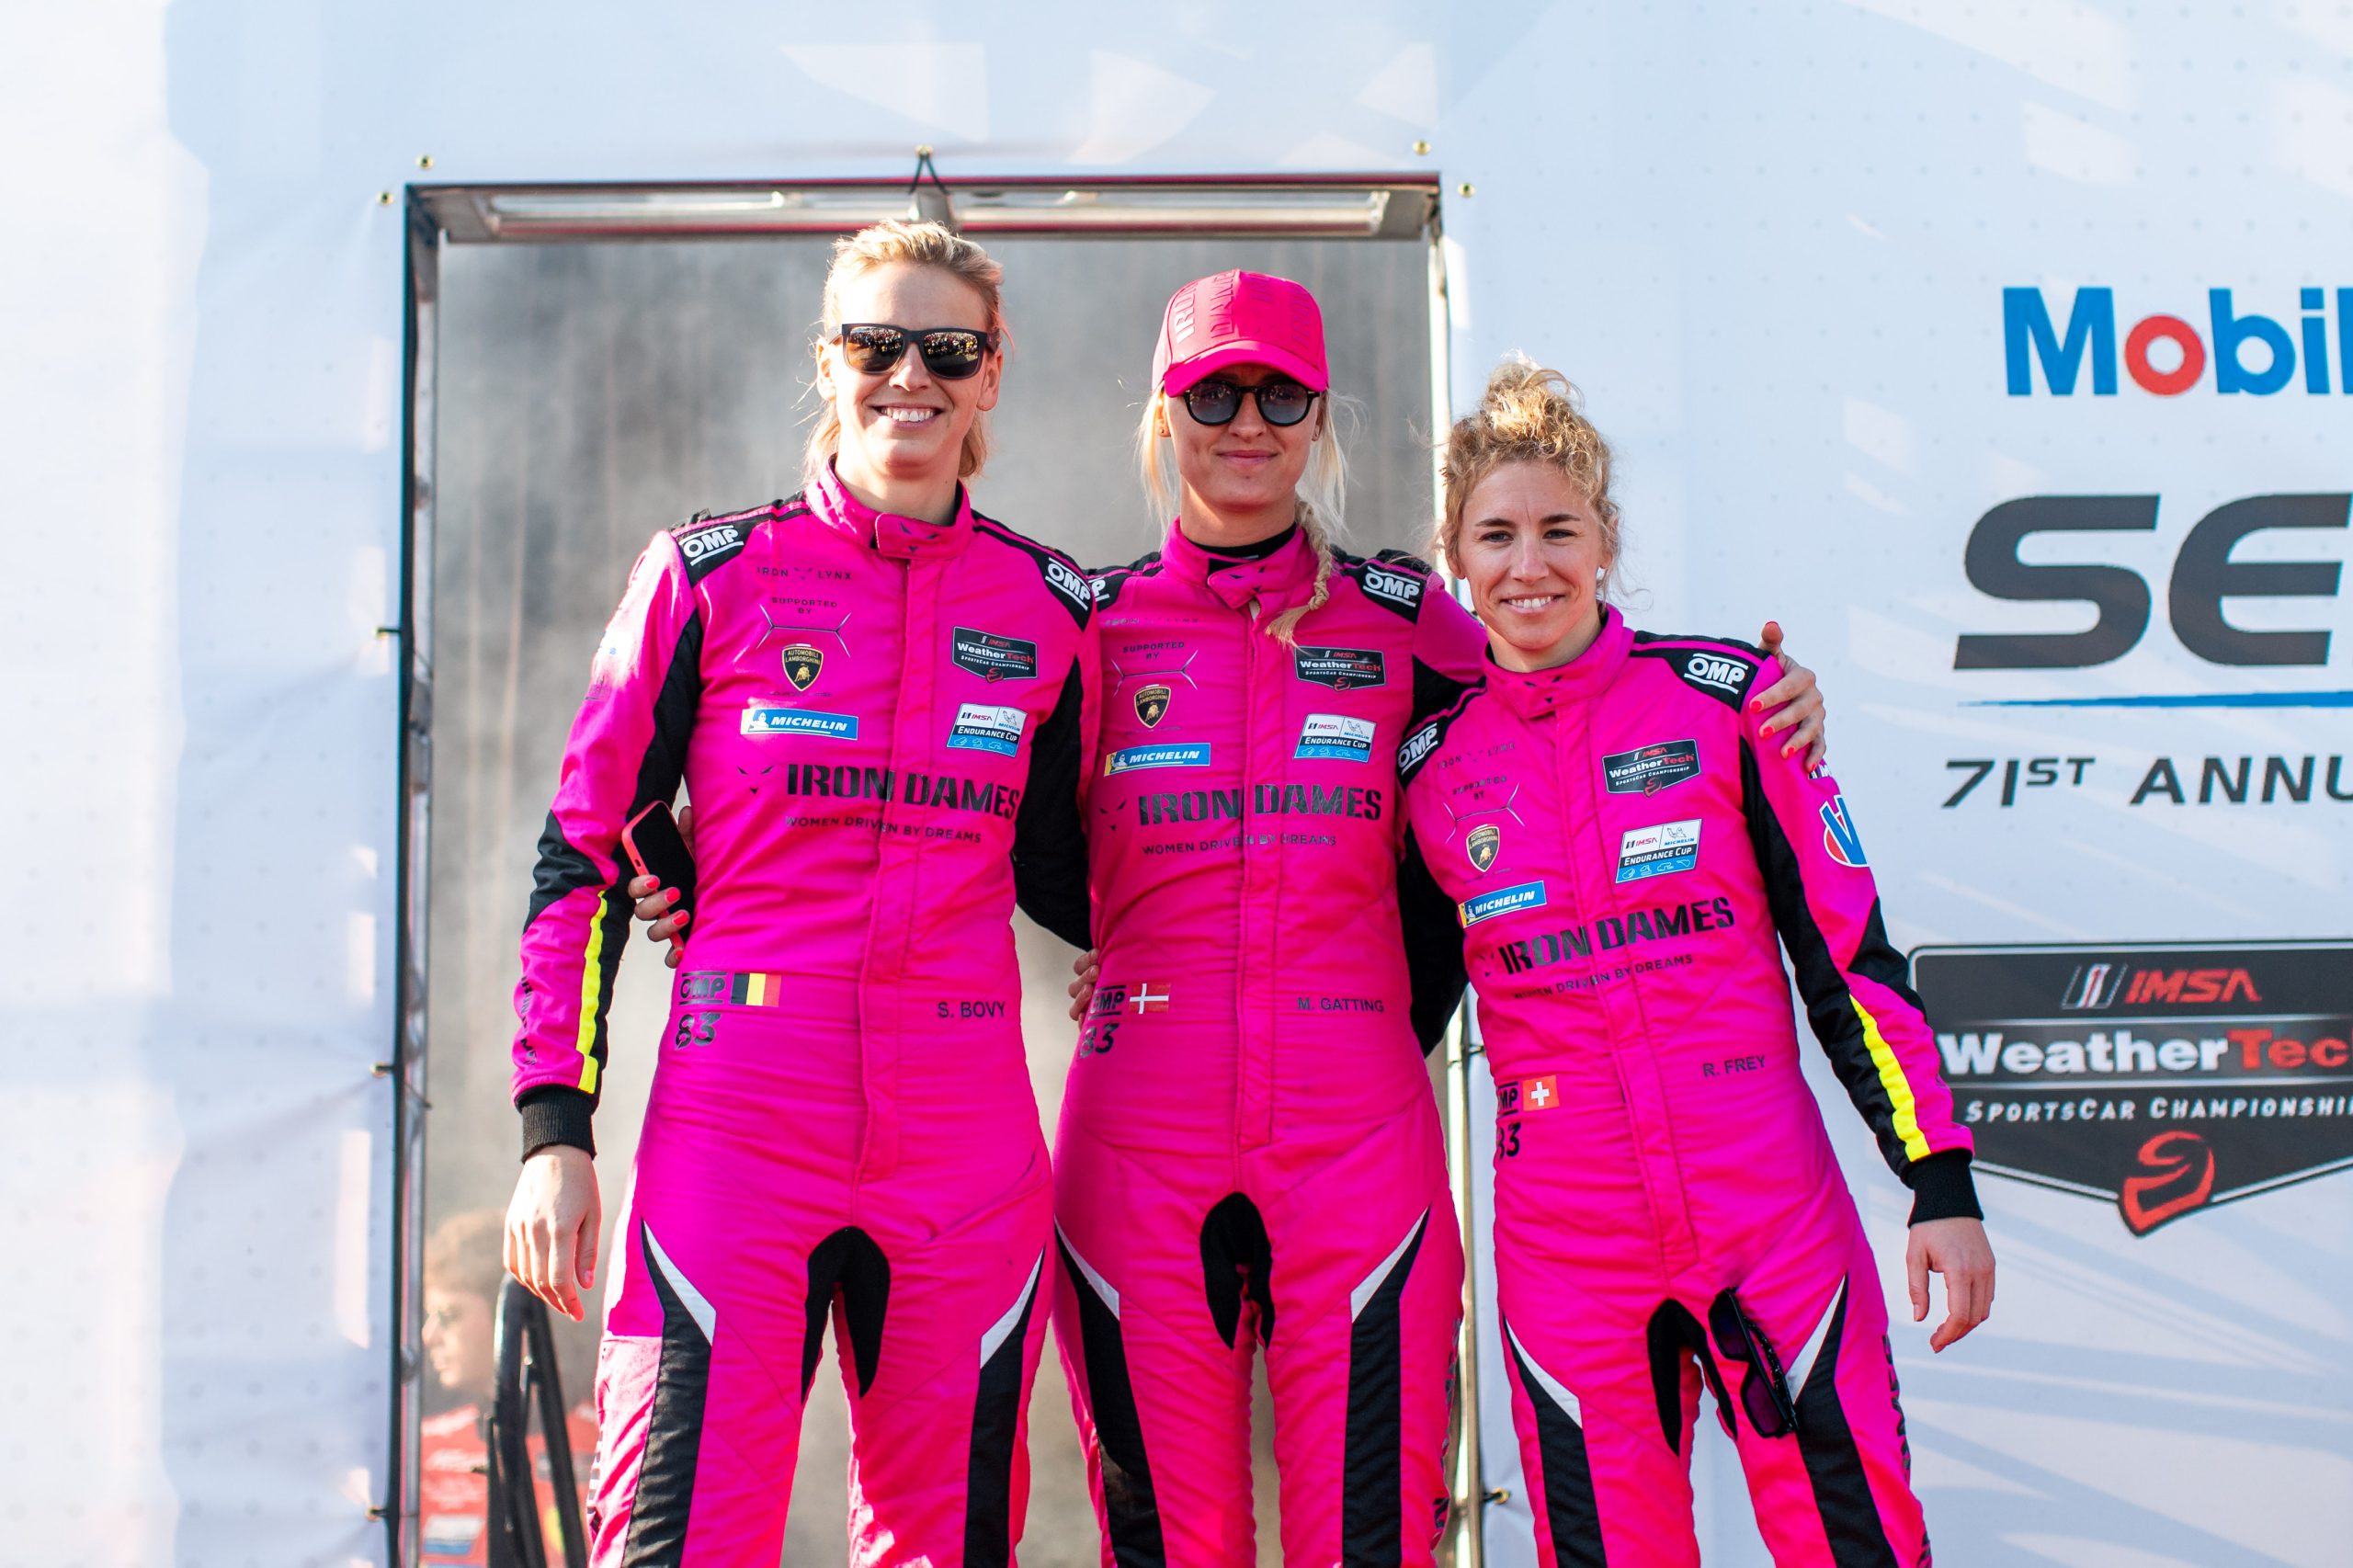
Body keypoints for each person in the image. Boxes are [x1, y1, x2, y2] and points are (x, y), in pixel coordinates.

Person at [631, 272, 1826, 1566]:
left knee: (1368, 1537)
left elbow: (1567, 711)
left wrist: (1769, 695)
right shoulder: (1087, 620)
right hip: (1140, 1127)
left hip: (1360, 1137)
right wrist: (719, 856)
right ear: (1165, 414)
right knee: (1169, 1541)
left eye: (1278, 394)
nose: (1244, 420)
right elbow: (979, 825)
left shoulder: (1415, 617)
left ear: (1319, 419)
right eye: (1213, 392)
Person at [502, 219, 1096, 1566]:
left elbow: (1085, 869)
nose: (911, 376)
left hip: (966, 1138)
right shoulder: (708, 575)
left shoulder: (1054, 606)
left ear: (991, 374)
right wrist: (554, 1125)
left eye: (949, 348)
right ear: (826, 363)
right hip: (738, 1124)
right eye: (876, 343)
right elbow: (582, 849)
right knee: (675, 1537)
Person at [1396, 359, 1995, 1567]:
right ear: (1454, 554)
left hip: (1770, 1209)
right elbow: (1384, 998)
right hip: (1570, 1244)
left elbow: (1848, 959)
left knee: (1857, 1537)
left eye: (1559, 529)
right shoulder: (1427, 768)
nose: (1530, 566)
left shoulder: (1732, 703)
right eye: (1497, 535)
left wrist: (1938, 1178)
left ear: (1606, 538)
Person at [420, 1209, 597, 1564]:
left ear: (513, 1311)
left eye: (449, 1316)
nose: (429, 1337)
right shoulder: (424, 1449)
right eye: (429, 1316)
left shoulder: (602, 1444)